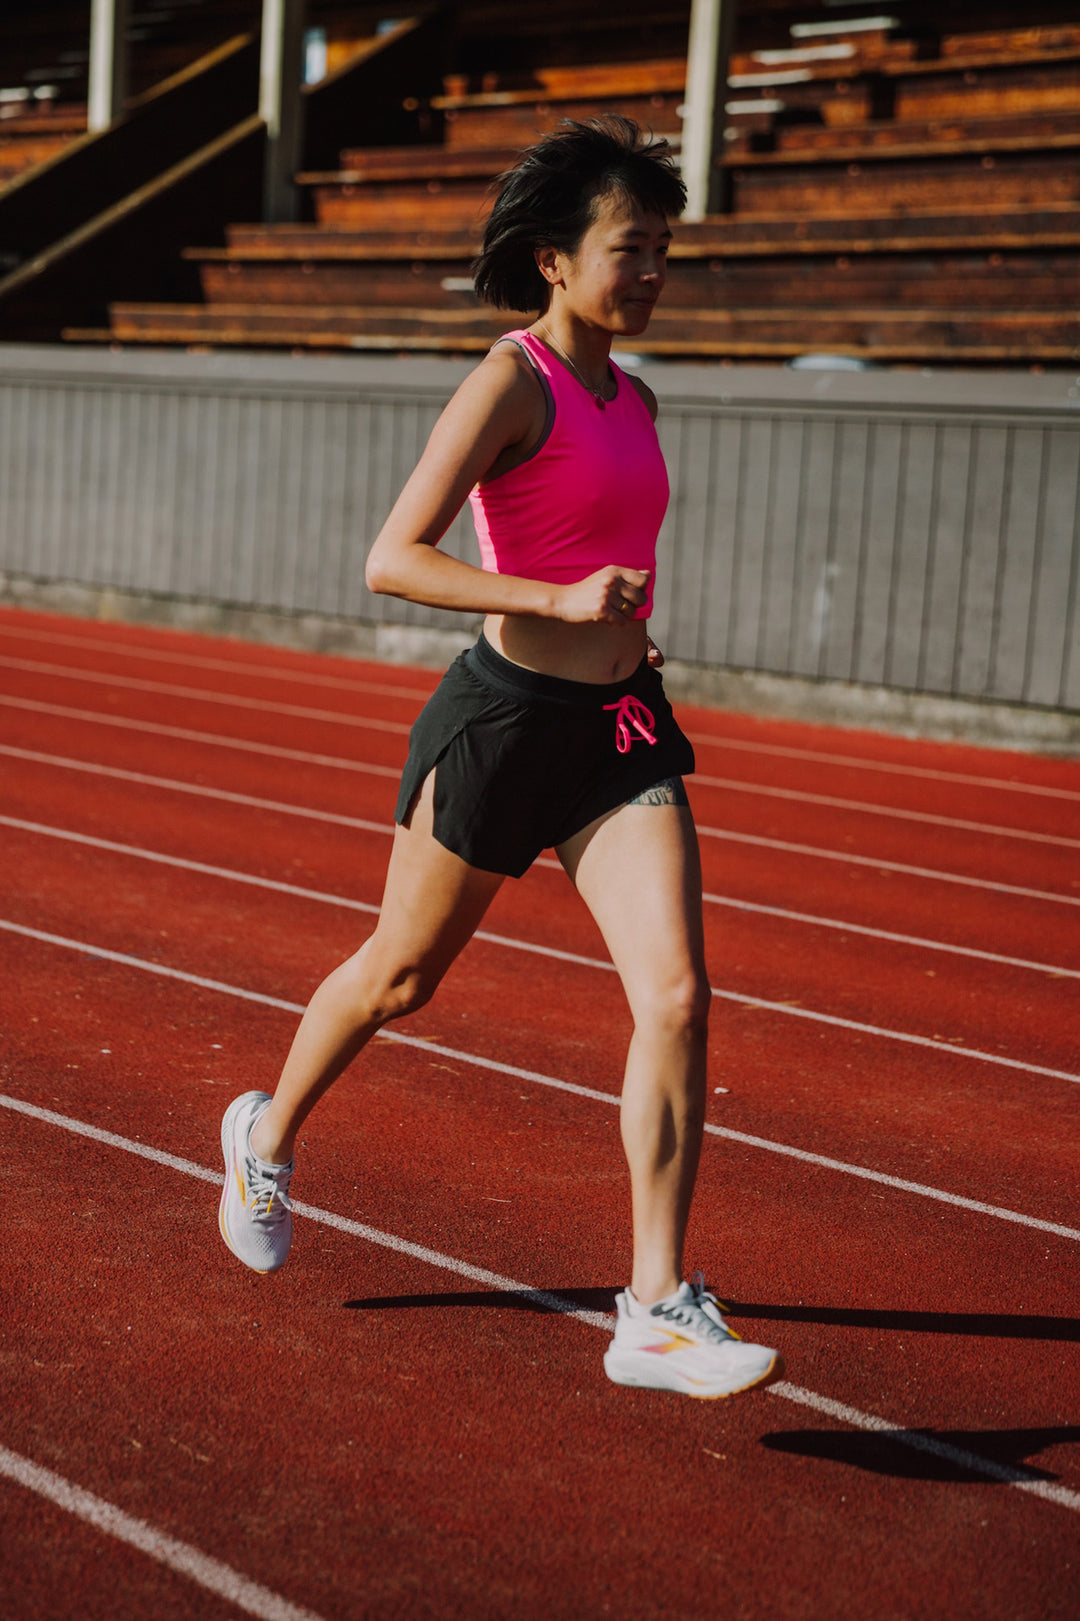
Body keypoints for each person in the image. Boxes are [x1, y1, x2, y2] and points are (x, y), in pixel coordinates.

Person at [217, 116, 783, 1399]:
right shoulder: (511, 379)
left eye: (663, 252)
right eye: (630, 249)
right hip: (502, 720)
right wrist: (561, 598)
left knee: (681, 998)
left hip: (616, 731)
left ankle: (651, 1302)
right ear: (554, 261)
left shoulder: (633, 397)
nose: (650, 274)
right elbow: (392, 556)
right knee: (401, 978)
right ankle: (265, 1133)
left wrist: (616, 635)